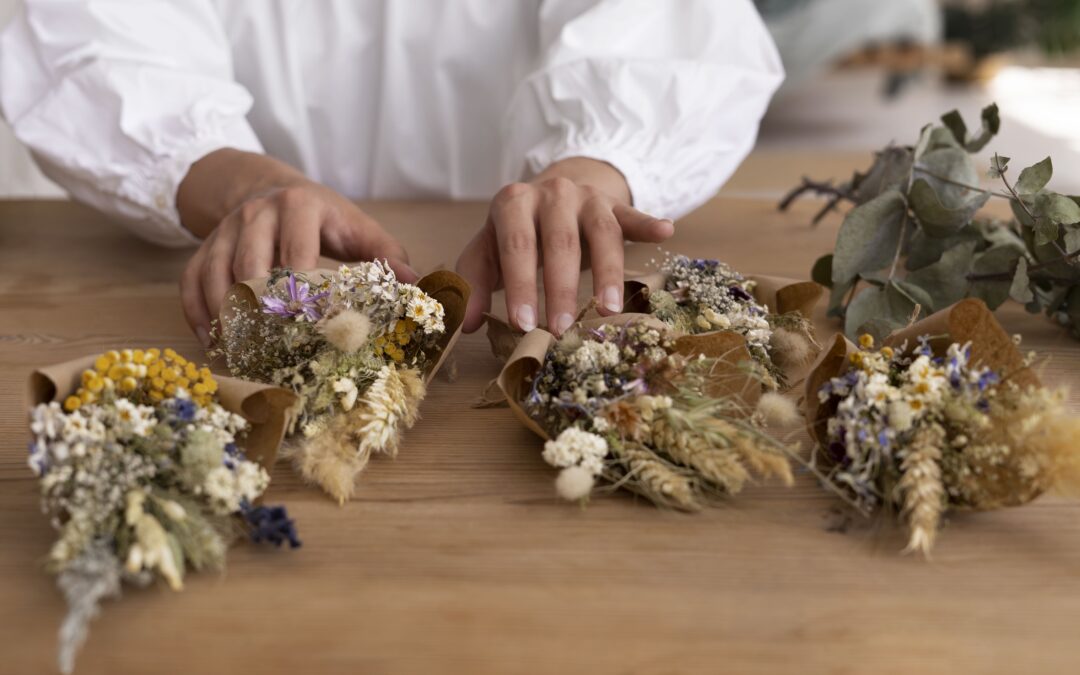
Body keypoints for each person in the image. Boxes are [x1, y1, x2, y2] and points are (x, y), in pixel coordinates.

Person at [0, 0, 783, 346]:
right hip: (233, 252)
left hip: (516, 283)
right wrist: (240, 182)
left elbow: (672, 17)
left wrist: (592, 171)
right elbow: (97, 28)